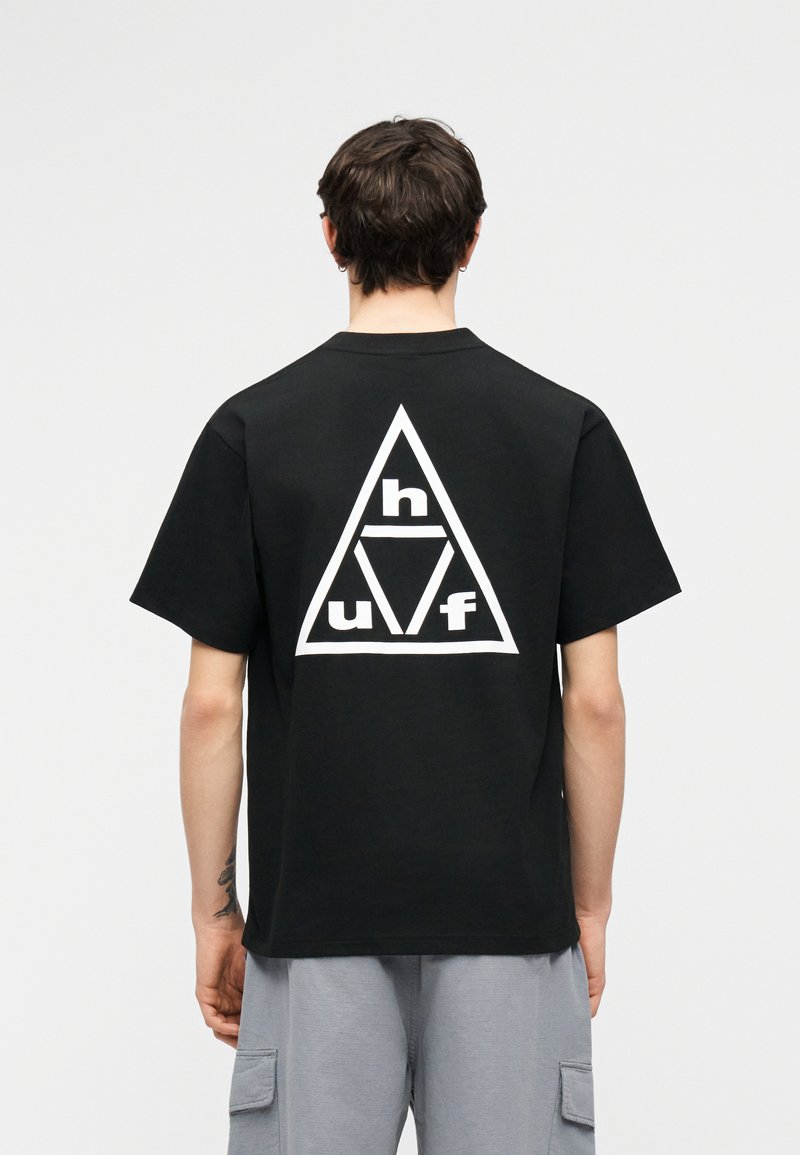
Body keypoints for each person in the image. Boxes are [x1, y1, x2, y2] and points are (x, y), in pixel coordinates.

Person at [129, 115, 681, 1155]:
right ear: (472, 240)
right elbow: (596, 701)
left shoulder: (252, 431)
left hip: (314, 923)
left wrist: (214, 913)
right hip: (509, 921)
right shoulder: (562, 430)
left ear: (331, 237)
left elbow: (209, 704)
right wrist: (589, 907)